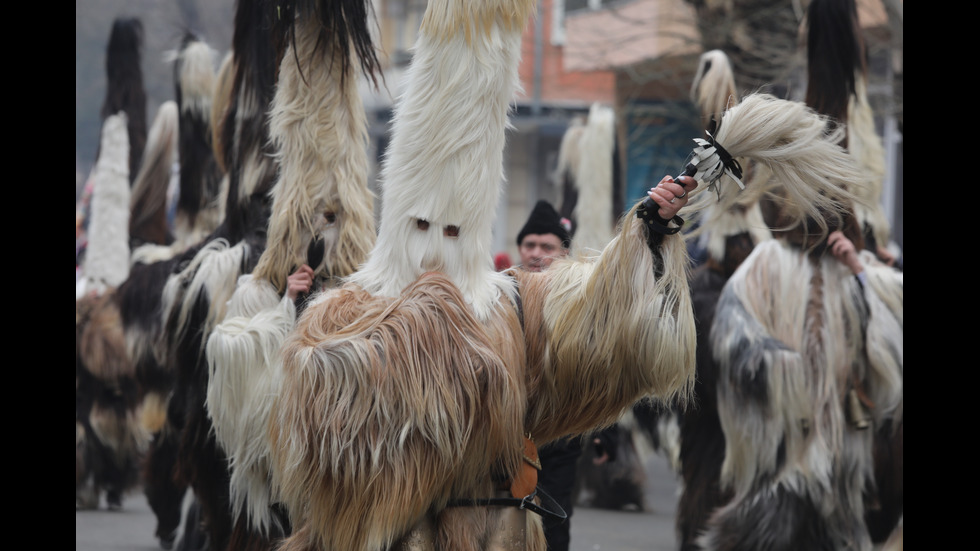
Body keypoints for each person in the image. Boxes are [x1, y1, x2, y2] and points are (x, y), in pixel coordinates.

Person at [514, 200, 580, 551]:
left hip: (562, 434)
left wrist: (605, 433)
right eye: (530, 245)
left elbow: (596, 363)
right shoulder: (501, 291)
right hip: (509, 431)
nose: (536, 253)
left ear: (563, 251)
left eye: (546, 246)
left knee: (554, 519)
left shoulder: (578, 298)